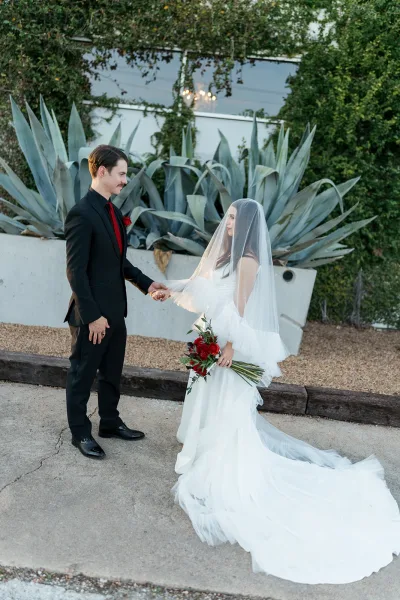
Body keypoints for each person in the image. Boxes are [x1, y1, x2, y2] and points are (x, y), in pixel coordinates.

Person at [155, 198, 400, 585]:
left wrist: (230, 346)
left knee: (229, 404)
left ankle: (222, 455)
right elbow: (202, 286)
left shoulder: (248, 261)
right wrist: (169, 288)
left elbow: (242, 306)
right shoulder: (223, 257)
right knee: (207, 396)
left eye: (235, 218)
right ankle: (202, 441)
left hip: (230, 342)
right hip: (213, 334)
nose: (229, 223)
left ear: (249, 224)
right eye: (229, 217)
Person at [64, 144, 167, 460]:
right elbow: (75, 271)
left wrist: (148, 285)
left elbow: (119, 262)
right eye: (121, 174)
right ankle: (80, 432)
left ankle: (109, 422)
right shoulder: (82, 214)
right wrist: (92, 315)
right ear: (102, 171)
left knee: (112, 373)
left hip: (115, 312)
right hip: (91, 315)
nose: (125, 180)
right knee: (82, 375)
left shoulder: (112, 213)